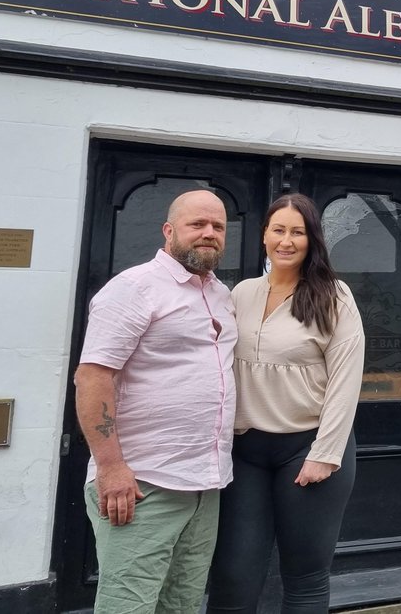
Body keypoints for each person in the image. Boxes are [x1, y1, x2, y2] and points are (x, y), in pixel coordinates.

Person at [74, 189, 238, 614]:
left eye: (217, 227)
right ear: (169, 230)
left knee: (181, 605)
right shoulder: (134, 288)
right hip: (143, 484)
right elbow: (93, 376)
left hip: (206, 483)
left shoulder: (221, 294)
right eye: (196, 224)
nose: (208, 233)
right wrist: (111, 467)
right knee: (127, 606)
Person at [207, 193, 365, 614]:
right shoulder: (240, 293)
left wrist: (326, 454)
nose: (287, 240)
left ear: (312, 240)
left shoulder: (334, 296)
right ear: (264, 236)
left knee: (305, 576)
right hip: (246, 452)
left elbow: (346, 383)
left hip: (308, 449)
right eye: (279, 230)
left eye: (298, 232)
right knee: (233, 572)